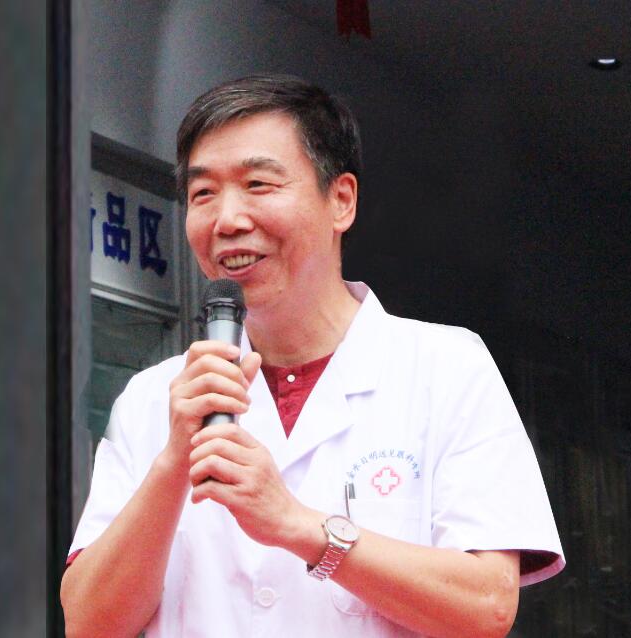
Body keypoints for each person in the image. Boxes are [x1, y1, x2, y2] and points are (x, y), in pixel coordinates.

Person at [60, 74, 564, 638]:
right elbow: (87, 622)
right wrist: (173, 463)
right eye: (203, 194)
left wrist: (298, 526)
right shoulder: (154, 398)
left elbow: (487, 606)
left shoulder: (447, 368)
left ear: (341, 200)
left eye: (258, 184)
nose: (227, 220)